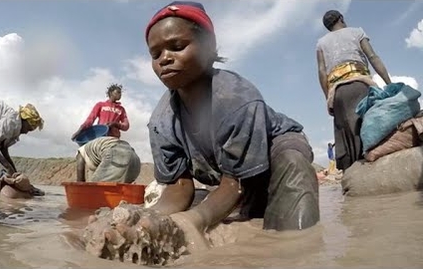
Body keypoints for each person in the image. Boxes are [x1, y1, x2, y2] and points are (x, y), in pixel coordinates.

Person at [140, 0, 320, 247]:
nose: (165, 59)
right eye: (155, 54)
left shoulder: (237, 100)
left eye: (177, 46)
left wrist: (194, 220)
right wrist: (144, 220)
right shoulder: (161, 122)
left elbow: (234, 183)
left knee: (292, 169)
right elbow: (179, 188)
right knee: (248, 211)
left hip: (276, 150)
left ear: (208, 47)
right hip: (233, 175)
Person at [316, 10, 392, 171]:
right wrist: (389, 83)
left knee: (346, 136)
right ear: (341, 18)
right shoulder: (357, 32)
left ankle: (352, 176)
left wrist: (329, 97)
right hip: (361, 85)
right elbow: (373, 57)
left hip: (338, 93)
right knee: (372, 129)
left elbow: (322, 72)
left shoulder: (321, 43)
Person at [76, 136, 141, 183]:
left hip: (116, 153)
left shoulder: (80, 151)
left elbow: (80, 179)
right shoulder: (95, 150)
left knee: (94, 187)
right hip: (134, 159)